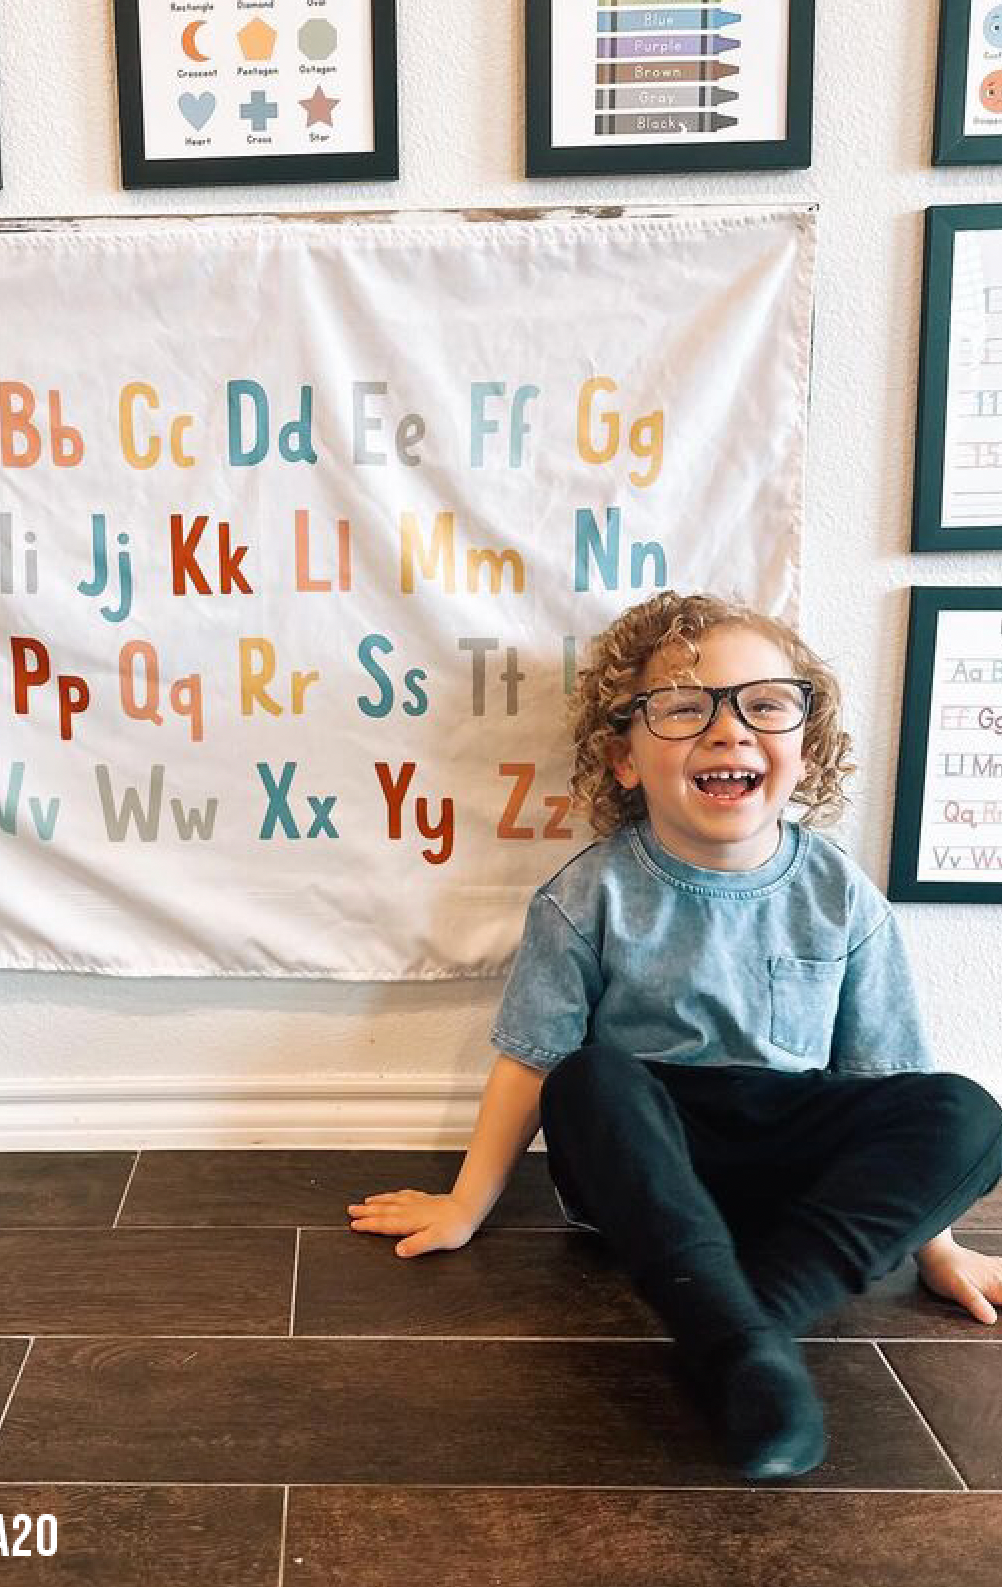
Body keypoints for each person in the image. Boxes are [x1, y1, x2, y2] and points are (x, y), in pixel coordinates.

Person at [348, 591, 1002, 1481]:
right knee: (587, 1078)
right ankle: (748, 1334)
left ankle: (742, 1330)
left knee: (969, 1112)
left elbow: (885, 1079)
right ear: (624, 758)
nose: (729, 731)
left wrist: (937, 1245)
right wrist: (466, 1205)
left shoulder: (844, 897)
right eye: (686, 708)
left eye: (764, 705)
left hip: (792, 1162)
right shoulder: (588, 897)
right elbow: (531, 1063)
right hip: (648, 1162)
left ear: (806, 749)